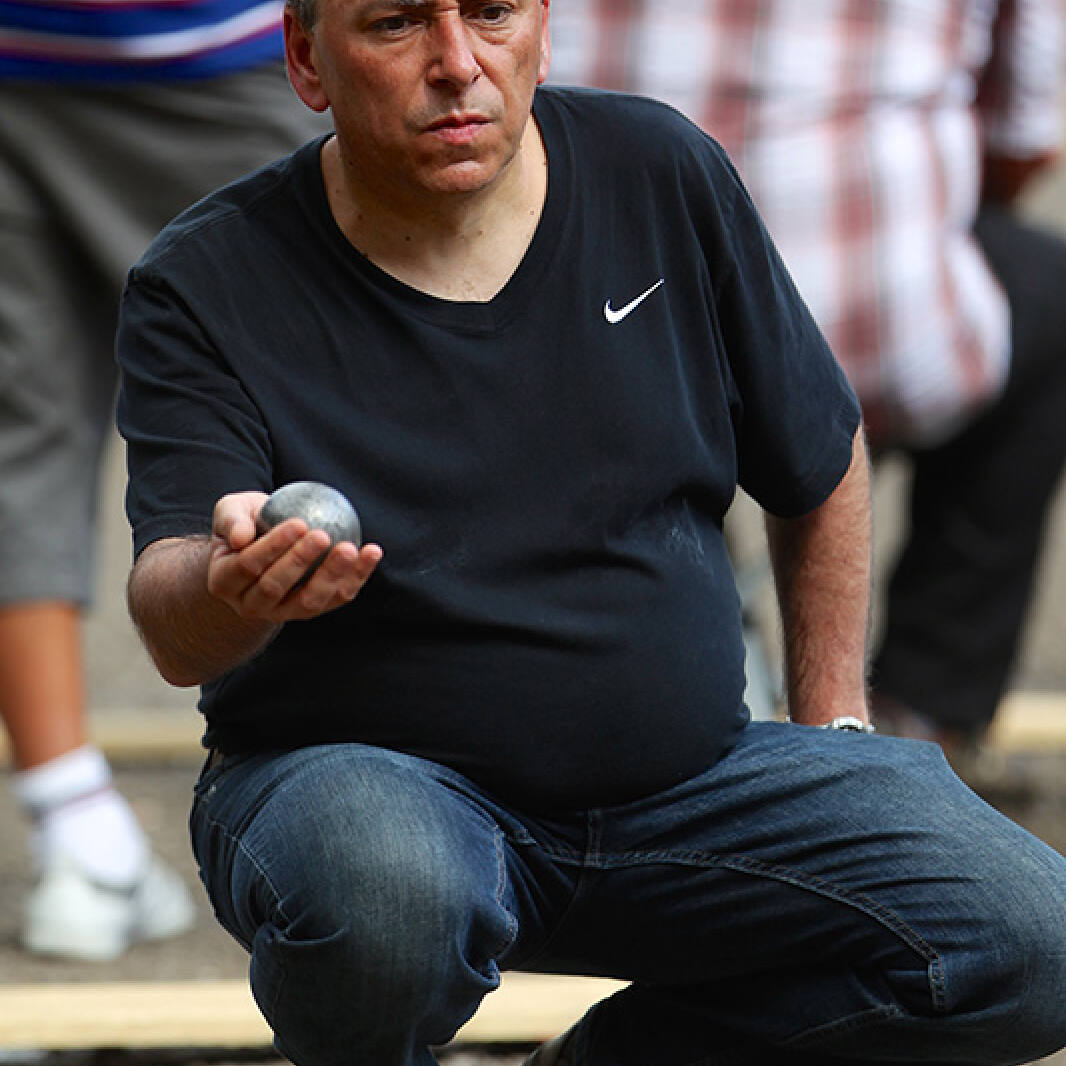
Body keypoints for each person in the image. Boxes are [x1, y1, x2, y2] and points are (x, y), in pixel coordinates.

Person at [115, 2, 1066, 1064]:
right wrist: (232, 587)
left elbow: (819, 452)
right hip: (374, 794)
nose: (457, 62)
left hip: (691, 785)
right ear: (306, 58)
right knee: (384, 897)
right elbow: (169, 618)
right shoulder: (204, 277)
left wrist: (833, 731)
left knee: (1035, 942)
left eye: (491, 13)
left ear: (543, 27)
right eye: (396, 23)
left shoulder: (657, 170)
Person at [549, 0, 1066, 755]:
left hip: (609, 322)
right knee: (1042, 291)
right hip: (875, 327)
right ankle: (923, 714)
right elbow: (1021, 143)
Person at [0, 0, 331, 959]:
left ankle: (80, 842)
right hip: (209, 48)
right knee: (341, 375)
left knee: (18, 434)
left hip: (30, 51)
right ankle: (409, 792)